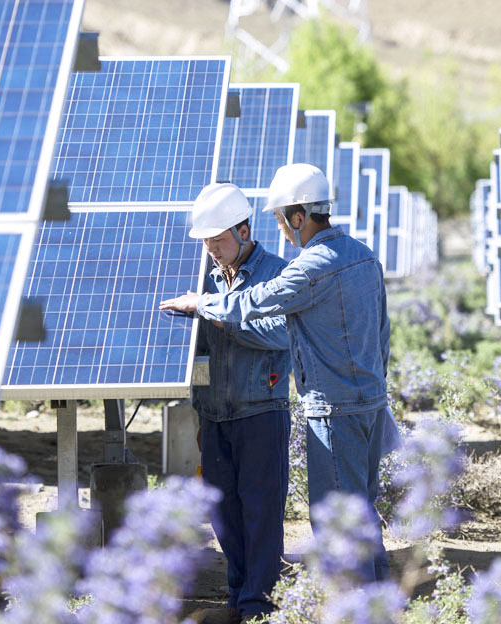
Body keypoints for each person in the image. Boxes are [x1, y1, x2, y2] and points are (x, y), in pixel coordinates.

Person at [161, 164, 391, 583]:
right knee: (360, 510)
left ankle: (358, 604)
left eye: (282, 221)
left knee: (337, 519)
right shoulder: (365, 256)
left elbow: (257, 302)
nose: (283, 233)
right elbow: (383, 336)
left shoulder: (310, 267)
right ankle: (381, 600)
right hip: (370, 404)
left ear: (299, 217)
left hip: (332, 410)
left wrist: (202, 305)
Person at [182, 183, 292, 624]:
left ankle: (258, 604)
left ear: (244, 230)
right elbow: (201, 352)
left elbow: (280, 334)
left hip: (261, 412)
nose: (212, 250)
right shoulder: (204, 281)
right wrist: (198, 404)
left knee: (261, 513)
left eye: (219, 240)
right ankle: (237, 597)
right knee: (224, 512)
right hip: (215, 416)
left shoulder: (277, 274)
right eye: (206, 242)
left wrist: (213, 310)